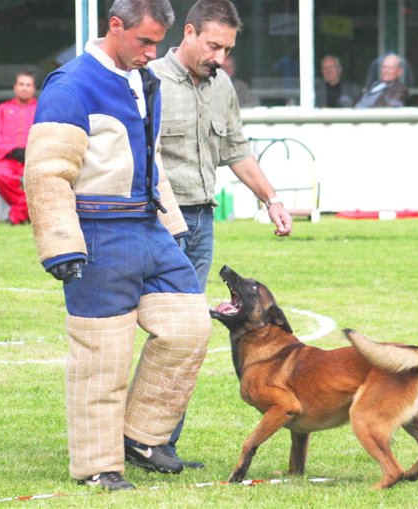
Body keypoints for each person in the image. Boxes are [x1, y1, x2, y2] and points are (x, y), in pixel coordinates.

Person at [24, 0, 212, 492]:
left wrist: (171, 224)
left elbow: (149, 160)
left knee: (190, 329)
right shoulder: (70, 85)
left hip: (148, 229)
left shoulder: (143, 81)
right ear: (114, 26)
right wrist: (61, 244)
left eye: (157, 43)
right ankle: (97, 467)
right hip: (98, 233)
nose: (152, 53)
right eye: (144, 41)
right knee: (102, 358)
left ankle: (142, 438)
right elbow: (46, 172)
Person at [149, 0, 292, 460]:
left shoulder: (221, 85)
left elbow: (237, 149)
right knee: (165, 331)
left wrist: (271, 199)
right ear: (188, 33)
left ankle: (158, 444)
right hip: (154, 224)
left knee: (188, 334)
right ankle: (139, 440)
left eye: (226, 49)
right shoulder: (148, 80)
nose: (220, 57)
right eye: (213, 46)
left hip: (201, 223)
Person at [0, 71, 37, 225]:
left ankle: (16, 215)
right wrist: (13, 150)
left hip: (33, 159)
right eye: (21, 84)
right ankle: (23, 211)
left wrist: (31, 151)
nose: (24, 88)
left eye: (28, 85)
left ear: (33, 89)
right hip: (8, 159)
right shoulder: (1, 109)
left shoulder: (41, 109)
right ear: (15, 87)